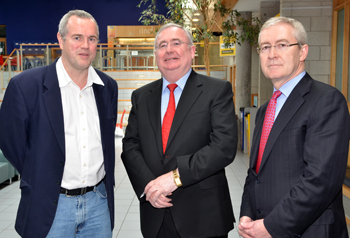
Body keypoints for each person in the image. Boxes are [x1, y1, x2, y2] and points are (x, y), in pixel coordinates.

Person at [0, 10, 118, 238]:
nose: (85, 45)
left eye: (92, 39)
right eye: (77, 37)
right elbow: (11, 143)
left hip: (98, 204)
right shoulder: (25, 86)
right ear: (60, 40)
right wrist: (40, 173)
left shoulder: (107, 87)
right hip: (50, 206)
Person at [121, 23, 238, 238]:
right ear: (156, 54)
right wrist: (150, 187)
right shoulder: (141, 96)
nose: (169, 50)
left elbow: (224, 147)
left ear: (192, 51)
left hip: (203, 217)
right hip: (155, 214)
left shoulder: (216, 91)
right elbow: (130, 146)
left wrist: (175, 178)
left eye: (176, 43)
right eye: (162, 45)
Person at [239, 16, 350, 238]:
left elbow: (320, 180)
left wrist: (272, 226)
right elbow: (255, 173)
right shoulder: (264, 111)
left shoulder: (326, 101)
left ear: (303, 52)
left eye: (282, 45)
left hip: (308, 231)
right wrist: (247, 214)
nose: (272, 54)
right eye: (265, 47)